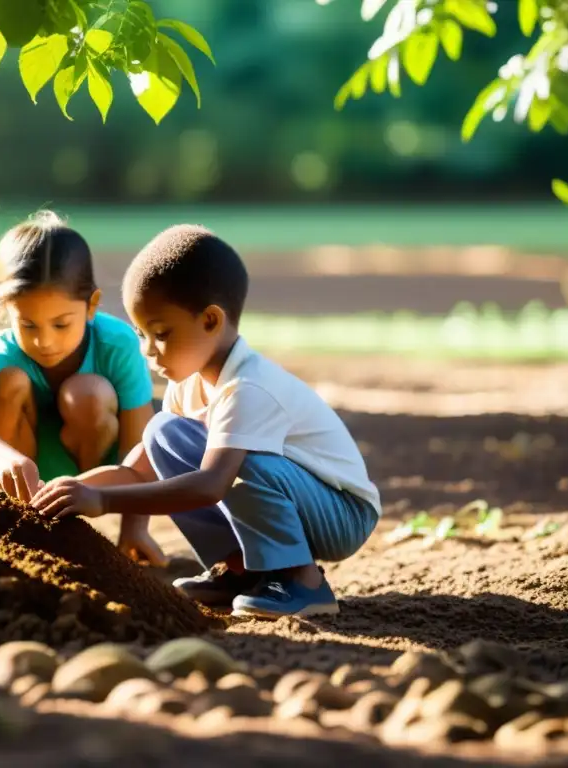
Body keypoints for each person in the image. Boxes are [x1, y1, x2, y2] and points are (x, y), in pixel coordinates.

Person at [31, 225, 381, 619]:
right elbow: (136, 472)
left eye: (160, 334)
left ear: (211, 321)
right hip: (294, 496)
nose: (148, 351)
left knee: (241, 461)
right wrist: (74, 489)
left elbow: (211, 485)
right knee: (164, 433)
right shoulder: (190, 385)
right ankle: (243, 569)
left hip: (343, 513)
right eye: (141, 335)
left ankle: (302, 582)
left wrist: (104, 501)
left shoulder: (248, 388)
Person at [0, 210, 166, 566]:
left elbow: (139, 443)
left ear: (91, 305)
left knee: (88, 393)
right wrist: (3, 455)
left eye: (61, 324)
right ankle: (9, 525)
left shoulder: (117, 344)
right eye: (28, 324)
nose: (44, 340)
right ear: (7, 310)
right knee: (10, 381)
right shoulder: (1, 355)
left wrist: (135, 529)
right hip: (20, 479)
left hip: (93, 480)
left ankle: (70, 523)